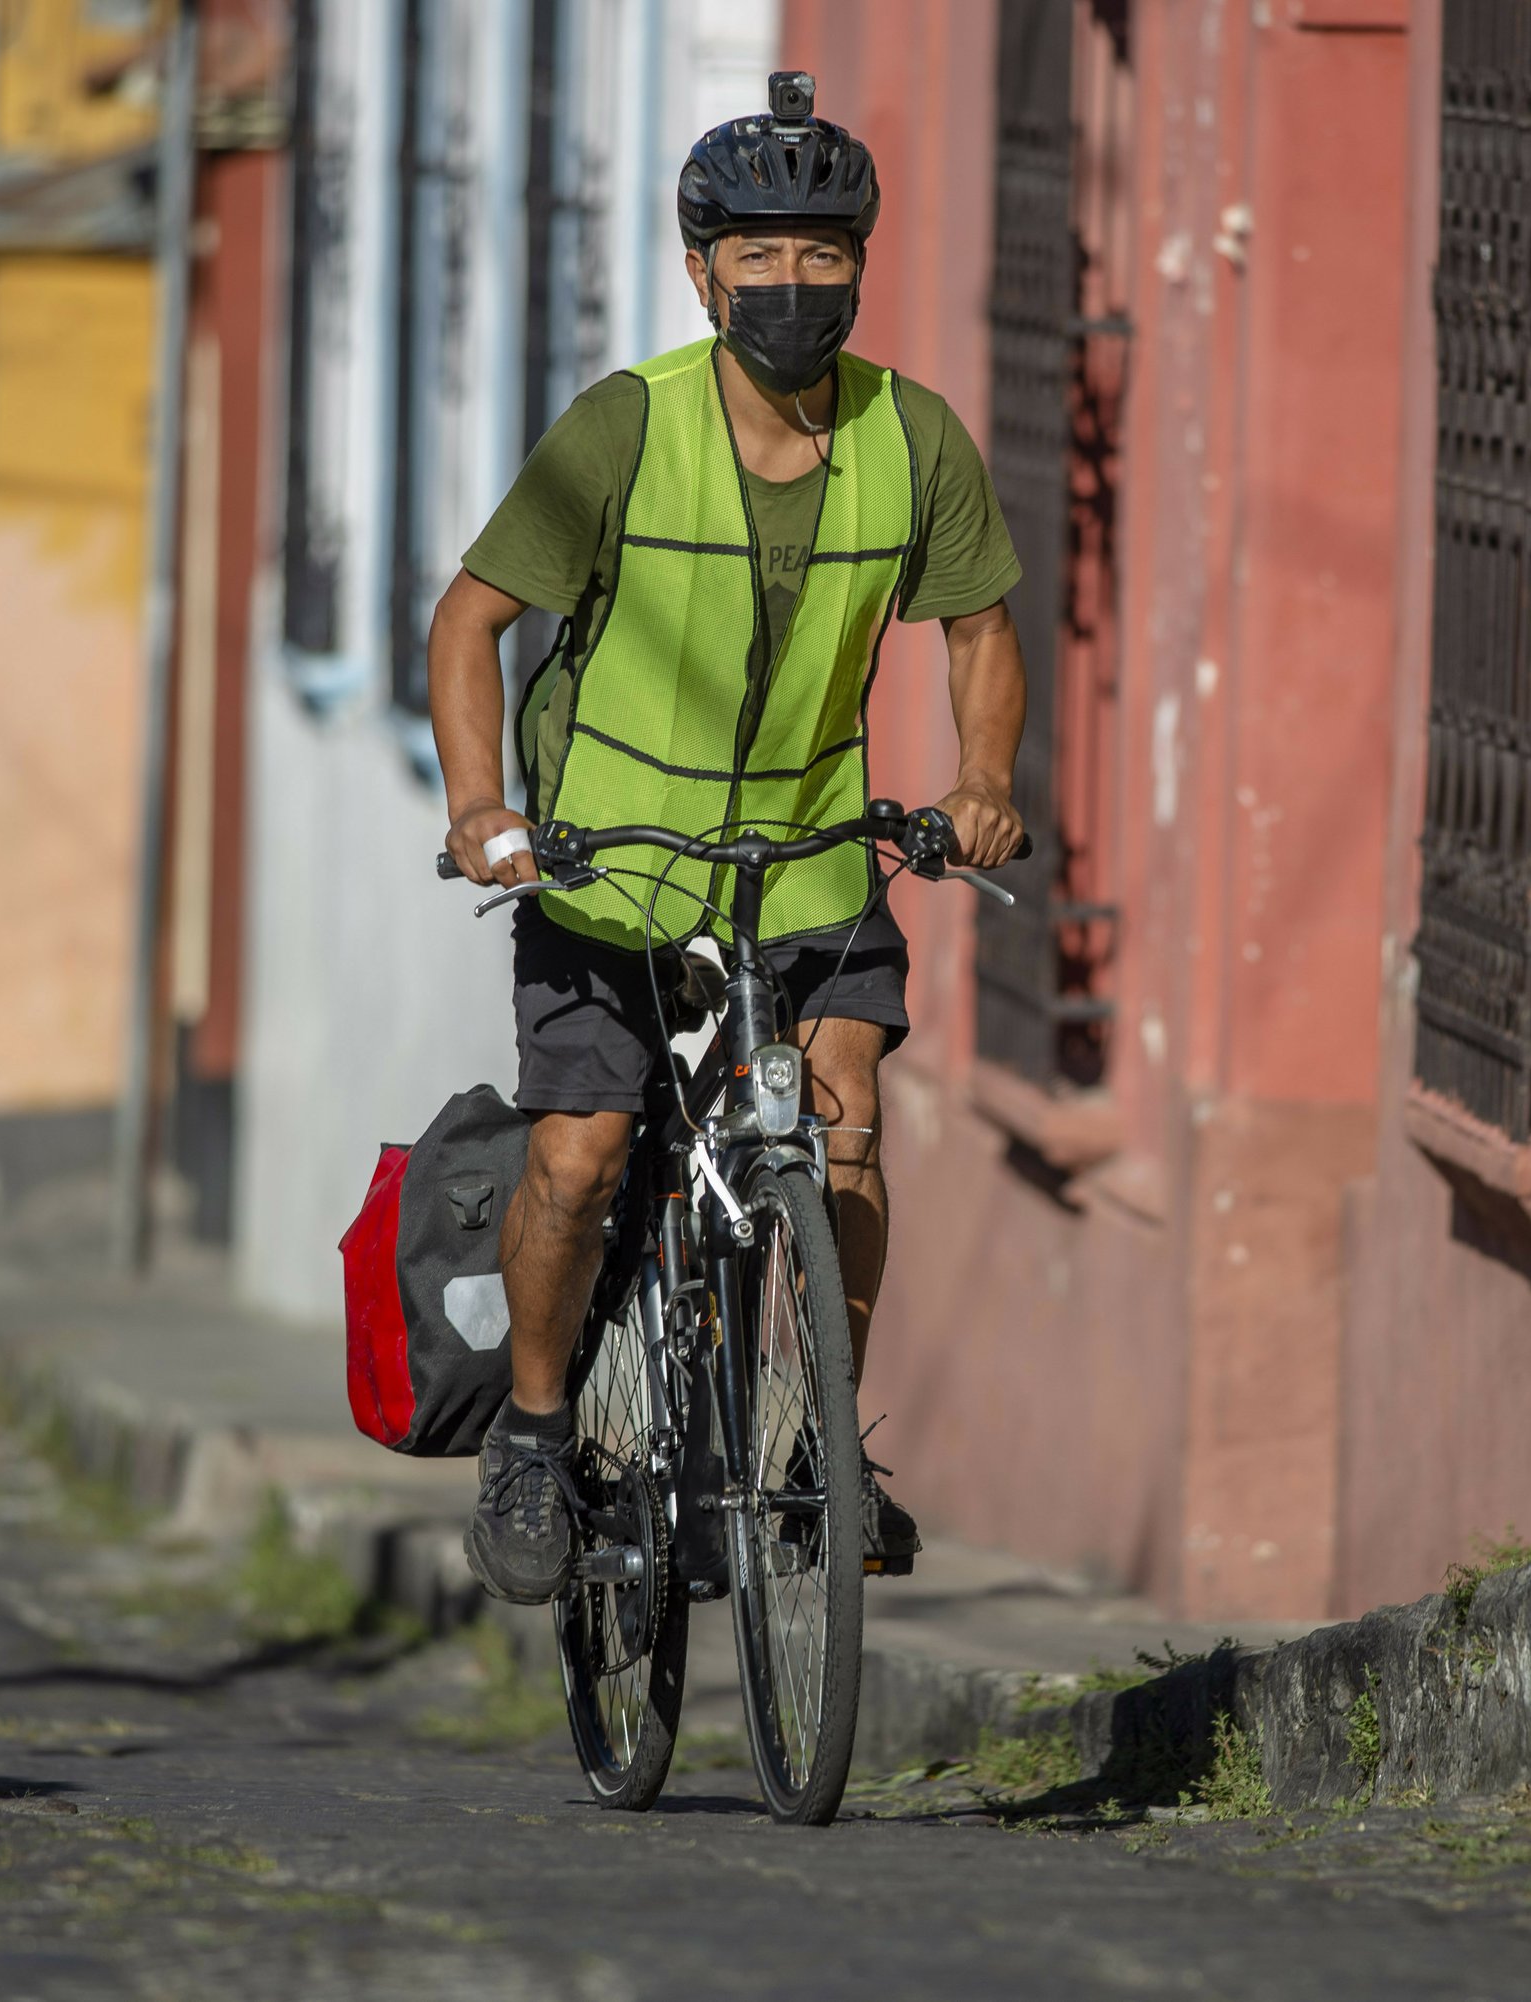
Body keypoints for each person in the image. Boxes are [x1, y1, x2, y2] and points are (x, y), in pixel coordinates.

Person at [426, 74, 1027, 1606]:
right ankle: (540, 1435)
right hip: (611, 860)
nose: (792, 285)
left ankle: (817, 1431)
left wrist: (983, 776)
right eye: (758, 255)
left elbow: (980, 632)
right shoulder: (626, 428)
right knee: (581, 1150)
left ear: (860, 268)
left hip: (812, 849)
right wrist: (484, 811)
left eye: (824, 255)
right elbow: (473, 619)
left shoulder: (916, 438)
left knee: (847, 1124)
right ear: (701, 272)